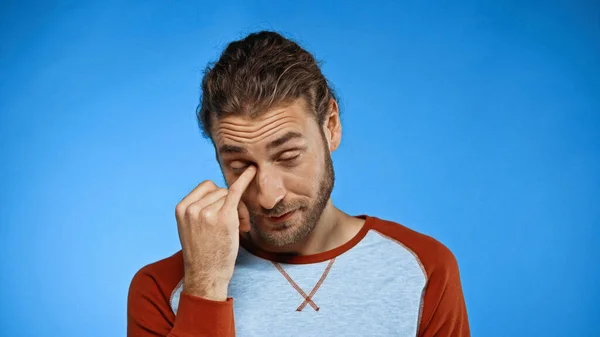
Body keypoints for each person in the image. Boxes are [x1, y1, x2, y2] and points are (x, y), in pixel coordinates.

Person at [127, 30, 470, 337]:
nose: (268, 196)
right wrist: (205, 286)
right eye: (239, 165)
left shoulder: (424, 268)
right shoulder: (162, 286)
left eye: (288, 156)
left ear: (331, 126)